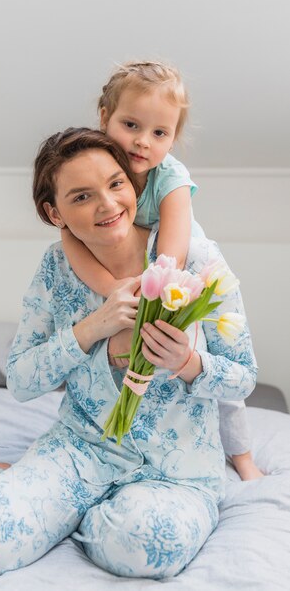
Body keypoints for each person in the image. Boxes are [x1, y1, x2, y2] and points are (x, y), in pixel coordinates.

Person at [0, 129, 257, 578]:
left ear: (132, 183)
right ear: (55, 212)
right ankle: (0, 483)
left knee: (145, 547)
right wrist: (90, 331)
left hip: (176, 471)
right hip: (79, 450)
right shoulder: (55, 267)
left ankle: (50, 500)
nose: (107, 205)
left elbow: (244, 377)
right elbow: (21, 380)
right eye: (82, 196)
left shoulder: (197, 257)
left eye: (115, 184)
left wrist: (187, 363)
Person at [60, 61, 262, 481]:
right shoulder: (95, 165)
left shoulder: (171, 177)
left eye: (159, 133)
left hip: (176, 271)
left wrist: (151, 303)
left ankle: (242, 457)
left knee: (215, 372)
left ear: (172, 138)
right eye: (131, 124)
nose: (142, 142)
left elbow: (172, 258)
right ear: (104, 118)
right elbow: (71, 238)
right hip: (130, 279)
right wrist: (115, 291)